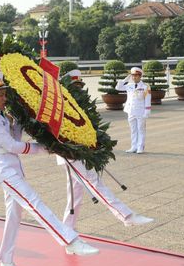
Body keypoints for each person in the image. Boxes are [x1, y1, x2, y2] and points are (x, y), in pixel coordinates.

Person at [0, 71, 99, 266]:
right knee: (34, 202)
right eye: (0, 95)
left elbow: (16, 135)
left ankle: (6, 261)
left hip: (13, 169)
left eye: (5, 94)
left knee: (14, 216)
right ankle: (70, 240)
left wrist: (20, 121)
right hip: (4, 171)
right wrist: (45, 148)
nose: (4, 98)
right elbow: (12, 145)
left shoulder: (2, 114)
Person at [59, 70, 153, 229]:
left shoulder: (79, 105)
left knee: (75, 195)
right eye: (75, 87)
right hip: (69, 153)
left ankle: (66, 230)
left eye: (80, 87)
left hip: (79, 152)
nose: (79, 90)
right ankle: (126, 215)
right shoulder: (63, 105)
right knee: (94, 181)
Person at [116, 67, 151, 154]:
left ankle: (140, 147)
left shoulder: (145, 87)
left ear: (140, 76)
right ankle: (133, 146)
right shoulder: (129, 86)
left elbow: (147, 99)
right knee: (133, 130)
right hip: (131, 111)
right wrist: (125, 80)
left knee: (141, 129)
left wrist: (147, 111)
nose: (134, 77)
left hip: (140, 111)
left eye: (136, 76)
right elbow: (118, 88)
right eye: (133, 76)